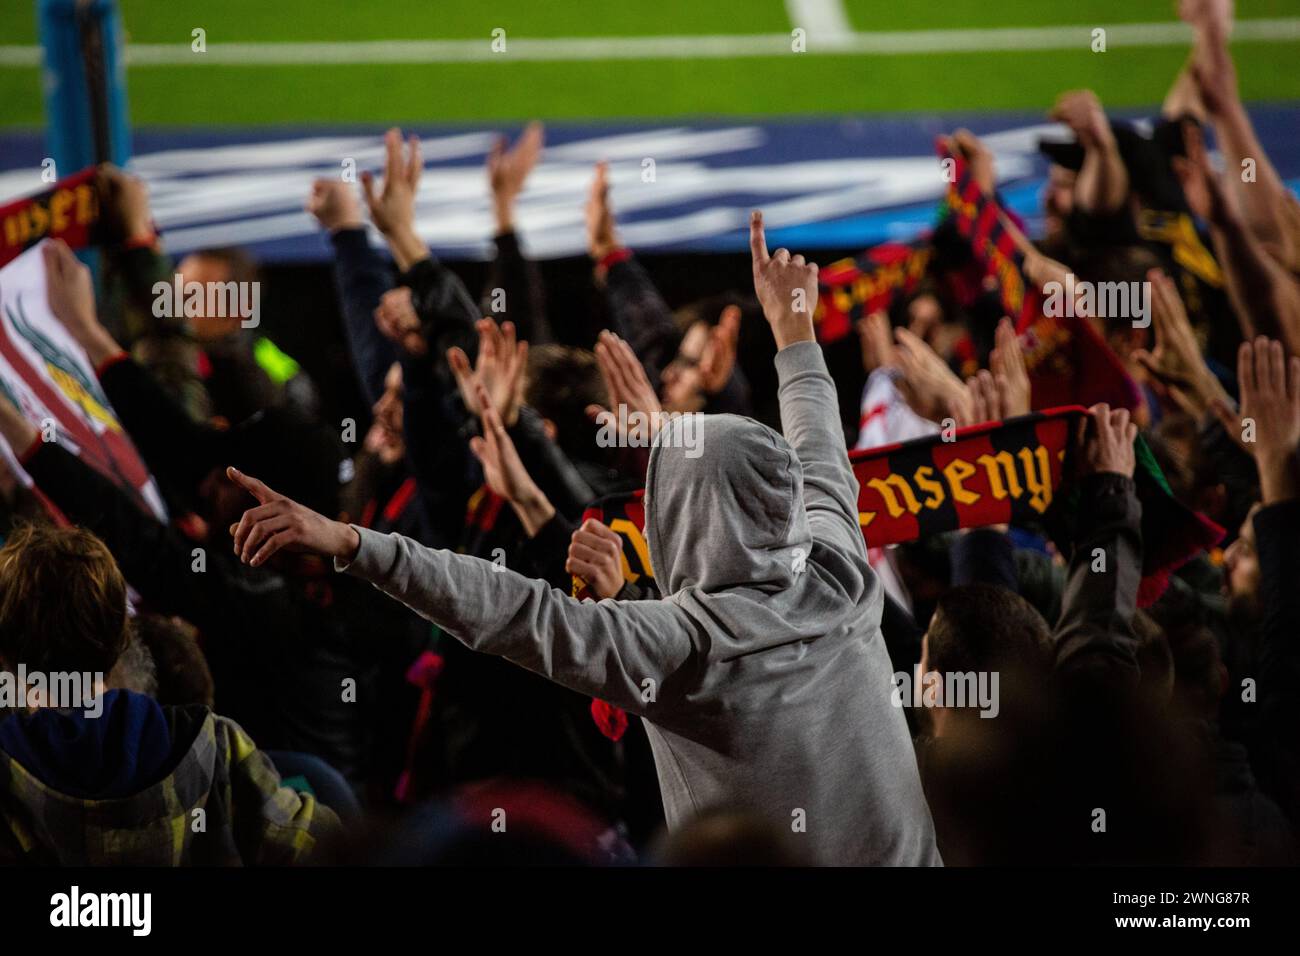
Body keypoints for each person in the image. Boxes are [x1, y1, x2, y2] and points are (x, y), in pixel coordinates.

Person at [225, 211, 942, 865]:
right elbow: (819, 452)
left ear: (674, 515)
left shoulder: (677, 643)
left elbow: (506, 608)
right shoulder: (842, 575)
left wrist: (355, 544)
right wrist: (795, 331)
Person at [0, 523, 338, 865]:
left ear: (5, 651)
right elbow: (321, 846)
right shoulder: (217, 748)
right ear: (122, 635)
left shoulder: (8, 781)